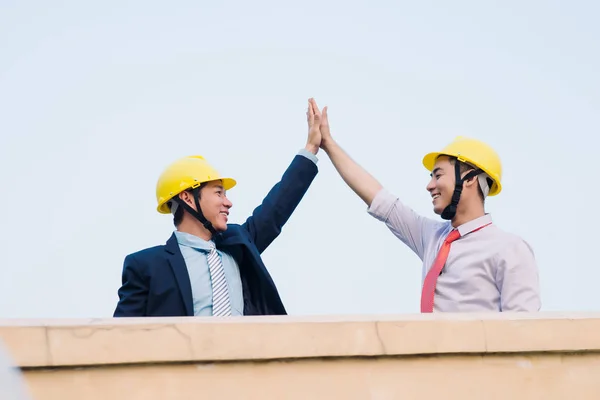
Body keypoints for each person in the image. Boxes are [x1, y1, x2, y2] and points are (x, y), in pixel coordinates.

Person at [310, 98, 540, 312]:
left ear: (470, 179)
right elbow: (381, 200)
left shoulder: (509, 249)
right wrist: (328, 145)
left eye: (438, 175)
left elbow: (524, 331)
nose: (430, 186)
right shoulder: (433, 238)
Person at [113, 99, 322, 317]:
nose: (228, 202)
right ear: (188, 198)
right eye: (218, 193)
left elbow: (275, 210)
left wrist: (310, 149)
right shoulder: (146, 265)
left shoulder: (238, 244)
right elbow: (122, 336)